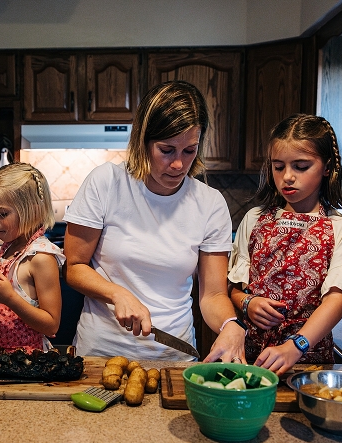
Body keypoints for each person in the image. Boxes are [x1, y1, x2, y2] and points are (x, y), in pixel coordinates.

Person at [62, 80, 245, 360]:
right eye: (166, 150)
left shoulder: (210, 204)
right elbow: (74, 267)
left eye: (189, 150)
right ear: (143, 141)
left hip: (173, 355)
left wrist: (230, 325)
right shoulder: (106, 182)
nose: (178, 165)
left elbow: (212, 295)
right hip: (101, 354)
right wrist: (116, 293)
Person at [205, 113, 342, 375]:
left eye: (301, 166)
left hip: (307, 360)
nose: (287, 177)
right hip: (249, 357)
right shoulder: (254, 220)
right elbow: (234, 289)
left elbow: (335, 301)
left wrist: (297, 345)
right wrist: (248, 303)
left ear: (327, 167)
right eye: (278, 166)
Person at [0, 163, 64, 352]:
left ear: (34, 210)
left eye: (2, 213)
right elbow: (13, 288)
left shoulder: (41, 258)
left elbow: (51, 324)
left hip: (27, 362)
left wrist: (10, 298)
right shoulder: (11, 245)